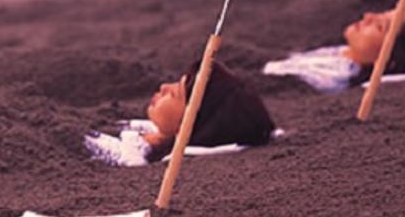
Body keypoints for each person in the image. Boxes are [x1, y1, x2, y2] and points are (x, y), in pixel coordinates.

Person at [84, 60, 275, 167]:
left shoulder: (128, 157)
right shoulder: (145, 130)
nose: (163, 87)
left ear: (190, 126)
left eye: (174, 94)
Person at [263, 0, 405, 92]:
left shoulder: (332, 78)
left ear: (389, 61)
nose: (368, 16)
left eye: (379, 26)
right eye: (381, 14)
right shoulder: (343, 53)